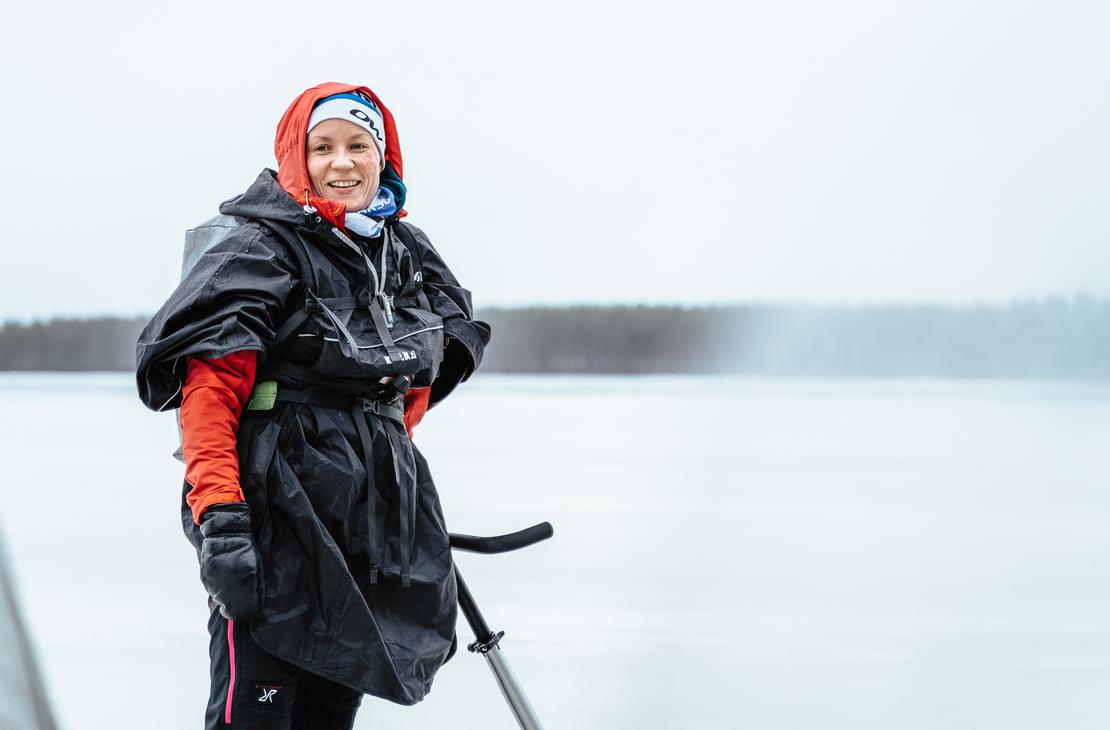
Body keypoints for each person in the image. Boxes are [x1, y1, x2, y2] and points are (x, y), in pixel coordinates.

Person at [135, 82, 491, 729]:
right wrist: (223, 519)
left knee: (333, 703)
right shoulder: (260, 250)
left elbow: (422, 371)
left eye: (359, 145)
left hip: (373, 519)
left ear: (384, 157)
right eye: (322, 147)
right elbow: (209, 396)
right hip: (277, 507)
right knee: (258, 712)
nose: (342, 162)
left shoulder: (406, 255)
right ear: (297, 157)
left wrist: (380, 450)